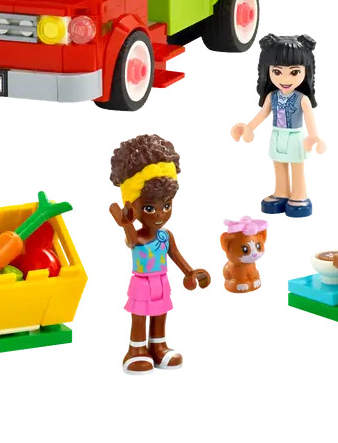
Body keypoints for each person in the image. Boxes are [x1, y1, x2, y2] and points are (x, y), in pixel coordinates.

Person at [109, 134, 210, 374]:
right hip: (142, 282)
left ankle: (158, 346)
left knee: (161, 313)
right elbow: (131, 240)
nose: (159, 215)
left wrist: (191, 272)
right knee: (139, 316)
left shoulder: (165, 237)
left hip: (162, 281)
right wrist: (125, 223)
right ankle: (135, 350)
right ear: (132, 207)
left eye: (166, 205)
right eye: (149, 208)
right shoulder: (138, 238)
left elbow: (177, 257)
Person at [230, 34, 325, 217]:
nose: (285, 78)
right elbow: (262, 114)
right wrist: (248, 127)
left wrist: (314, 137)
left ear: (306, 71)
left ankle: (300, 194)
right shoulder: (272, 96)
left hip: (295, 137)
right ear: (268, 70)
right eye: (277, 71)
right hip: (277, 135)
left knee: (297, 167)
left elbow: (310, 121)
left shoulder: (302, 99)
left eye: (294, 72)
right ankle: (281, 192)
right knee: (279, 164)